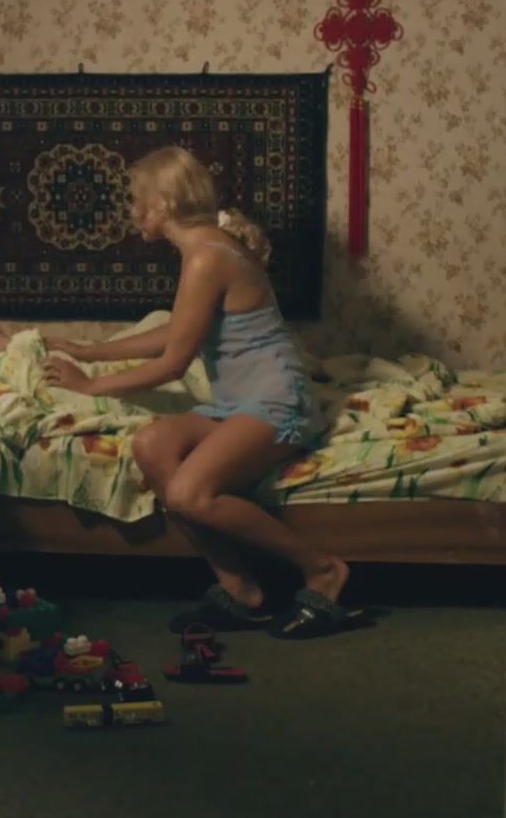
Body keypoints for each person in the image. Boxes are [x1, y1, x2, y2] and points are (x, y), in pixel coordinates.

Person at [40, 146, 356, 640]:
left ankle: (322, 569)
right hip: (237, 402)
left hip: (277, 399)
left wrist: (89, 384)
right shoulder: (206, 249)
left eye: (136, 199)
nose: (131, 211)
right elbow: (177, 330)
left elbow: (174, 362)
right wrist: (90, 351)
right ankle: (239, 589)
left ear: (163, 204)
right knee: (151, 445)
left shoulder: (207, 257)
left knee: (188, 494)